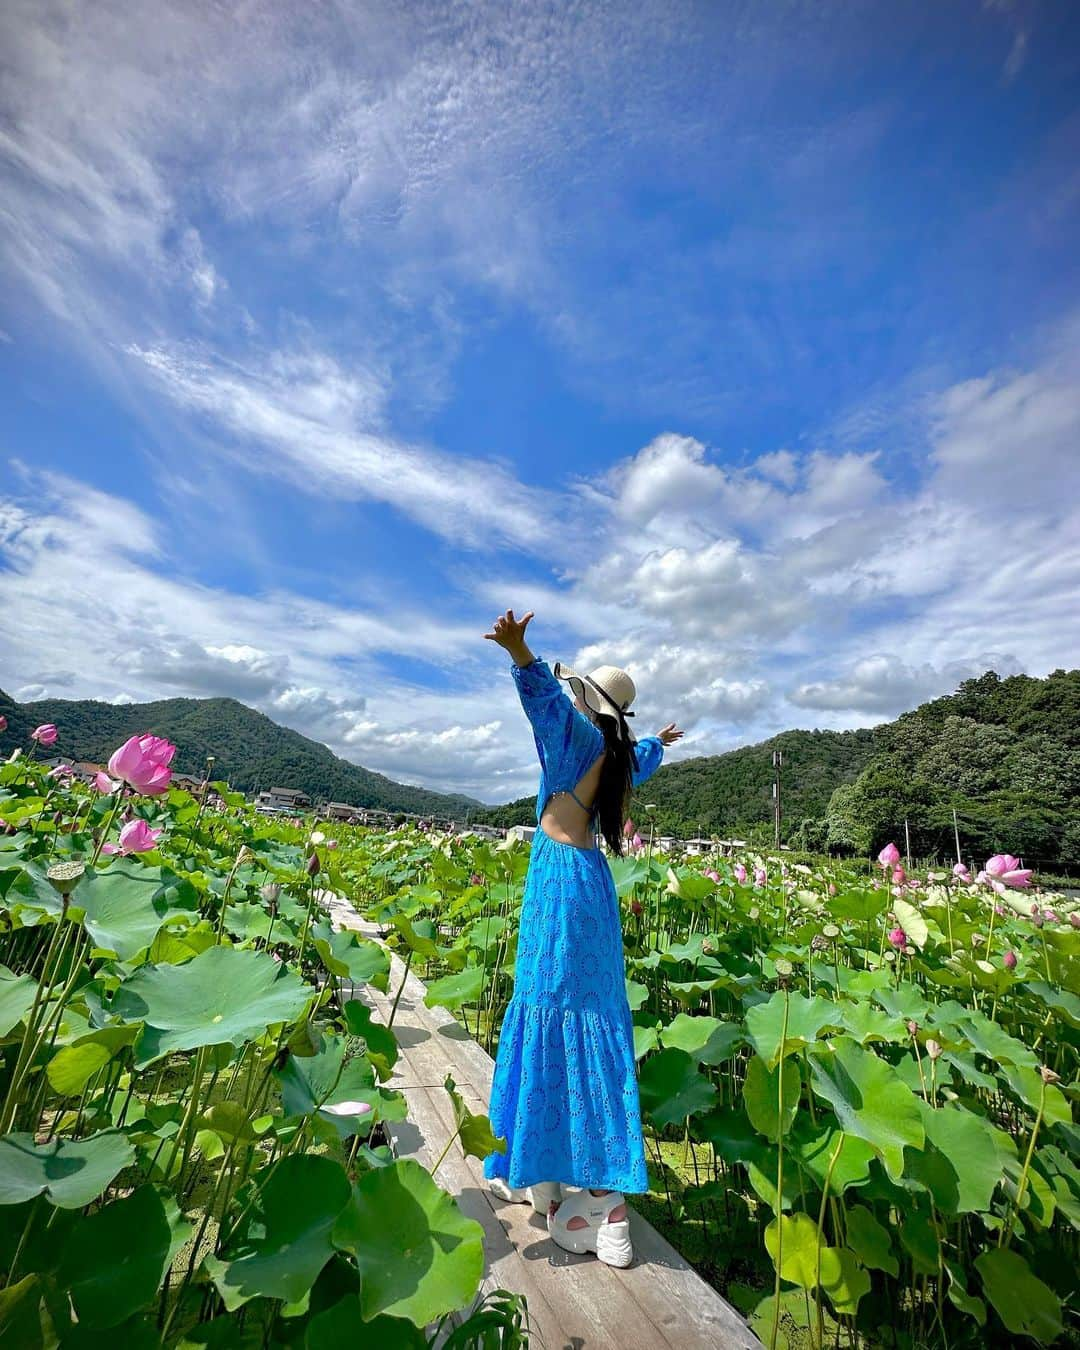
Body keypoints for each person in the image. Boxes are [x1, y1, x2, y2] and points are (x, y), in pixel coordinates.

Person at [481, 608, 683, 1267]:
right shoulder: (623, 755)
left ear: (586, 701)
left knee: (545, 1008)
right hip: (593, 881)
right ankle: (601, 1205)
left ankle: (579, 1195)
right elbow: (648, 753)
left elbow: (541, 696)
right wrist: (662, 738)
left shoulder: (571, 738)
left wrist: (520, 651)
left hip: (558, 884)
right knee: (591, 1022)